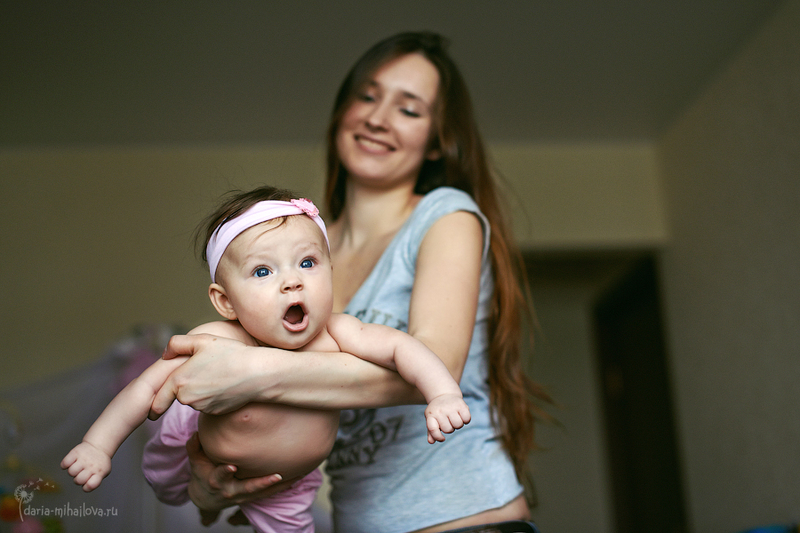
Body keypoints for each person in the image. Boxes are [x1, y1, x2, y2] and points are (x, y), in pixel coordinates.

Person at [146, 31, 550, 532]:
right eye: (367, 96)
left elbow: (438, 363)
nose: (378, 118)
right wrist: (209, 490)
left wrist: (252, 370)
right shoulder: (299, 253)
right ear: (342, 112)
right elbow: (273, 434)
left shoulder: (446, 215)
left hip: (466, 521)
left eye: (409, 109)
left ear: (436, 141)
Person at [62, 186, 470, 533]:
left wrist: (443, 394)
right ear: (226, 301)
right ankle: (198, 500)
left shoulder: (340, 332)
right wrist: (98, 445)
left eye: (307, 263)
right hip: (197, 446)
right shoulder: (219, 340)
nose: (292, 281)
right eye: (262, 272)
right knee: (167, 486)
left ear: (330, 271)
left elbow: (403, 348)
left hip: (286, 485)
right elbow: (145, 388)